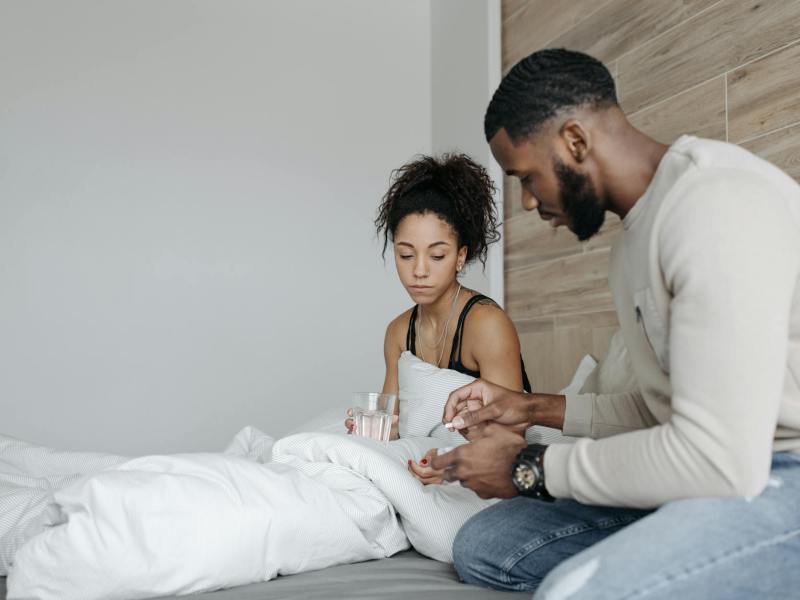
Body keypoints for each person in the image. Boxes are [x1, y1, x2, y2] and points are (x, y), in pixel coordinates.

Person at [432, 48, 800, 598]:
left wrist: (530, 467)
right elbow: (661, 410)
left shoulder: (714, 207)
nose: (529, 202)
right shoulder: (632, 242)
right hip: (711, 473)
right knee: (487, 545)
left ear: (575, 142)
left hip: (774, 472)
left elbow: (719, 459)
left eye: (526, 177)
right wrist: (532, 408)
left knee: (577, 591)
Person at [346, 153, 532, 484]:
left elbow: (510, 436)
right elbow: (396, 424)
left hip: (490, 474)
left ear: (461, 255)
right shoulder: (399, 332)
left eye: (437, 255)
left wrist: (451, 463)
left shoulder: (486, 325)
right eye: (405, 255)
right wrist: (375, 433)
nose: (419, 270)